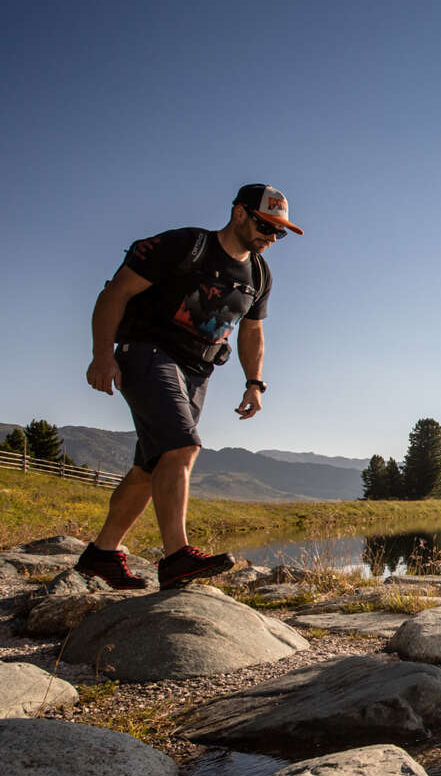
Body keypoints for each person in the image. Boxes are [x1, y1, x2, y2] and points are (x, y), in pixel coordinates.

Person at [76, 184, 303, 590]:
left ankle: (102, 554)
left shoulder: (259, 275)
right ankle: (177, 556)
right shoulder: (185, 245)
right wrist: (102, 355)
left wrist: (255, 384)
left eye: (279, 232)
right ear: (239, 214)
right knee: (182, 446)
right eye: (265, 226)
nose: (271, 238)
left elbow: (252, 332)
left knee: (150, 467)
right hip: (148, 351)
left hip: (197, 371)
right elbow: (116, 293)